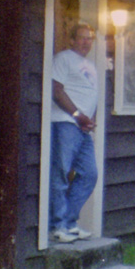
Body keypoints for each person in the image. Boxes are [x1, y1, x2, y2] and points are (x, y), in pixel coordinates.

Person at [49, 22, 99, 243]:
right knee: (61, 171)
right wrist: (78, 114)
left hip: (82, 128)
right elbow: (56, 90)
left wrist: (89, 118)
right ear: (71, 40)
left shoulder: (90, 65)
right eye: (81, 37)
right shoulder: (63, 59)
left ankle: (69, 222)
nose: (86, 41)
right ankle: (57, 226)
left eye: (90, 38)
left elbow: (89, 95)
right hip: (65, 122)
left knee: (89, 174)